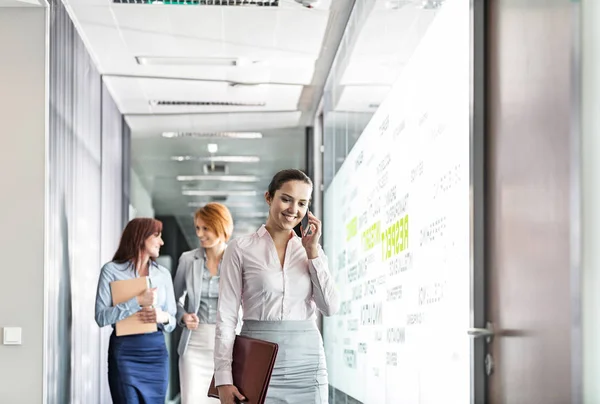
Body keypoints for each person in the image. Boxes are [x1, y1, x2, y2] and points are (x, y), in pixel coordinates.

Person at [214, 169, 340, 404]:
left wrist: (312, 252)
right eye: (286, 199)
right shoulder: (240, 249)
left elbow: (330, 307)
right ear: (268, 197)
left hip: (307, 361)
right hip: (257, 360)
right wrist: (223, 378)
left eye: (302, 203)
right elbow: (226, 316)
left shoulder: (312, 251)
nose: (294, 209)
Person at [94, 217, 177, 404]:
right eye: (157, 236)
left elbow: (172, 320)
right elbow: (101, 317)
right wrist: (137, 301)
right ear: (141, 237)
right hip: (124, 351)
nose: (161, 242)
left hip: (155, 352)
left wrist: (162, 317)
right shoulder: (111, 270)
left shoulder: (162, 274)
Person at [173, 202, 234, 404]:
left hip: (228, 345)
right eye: (198, 228)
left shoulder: (238, 260)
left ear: (220, 226)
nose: (200, 234)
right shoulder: (188, 259)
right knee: (192, 399)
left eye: (205, 228)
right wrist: (183, 315)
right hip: (194, 344)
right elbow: (175, 300)